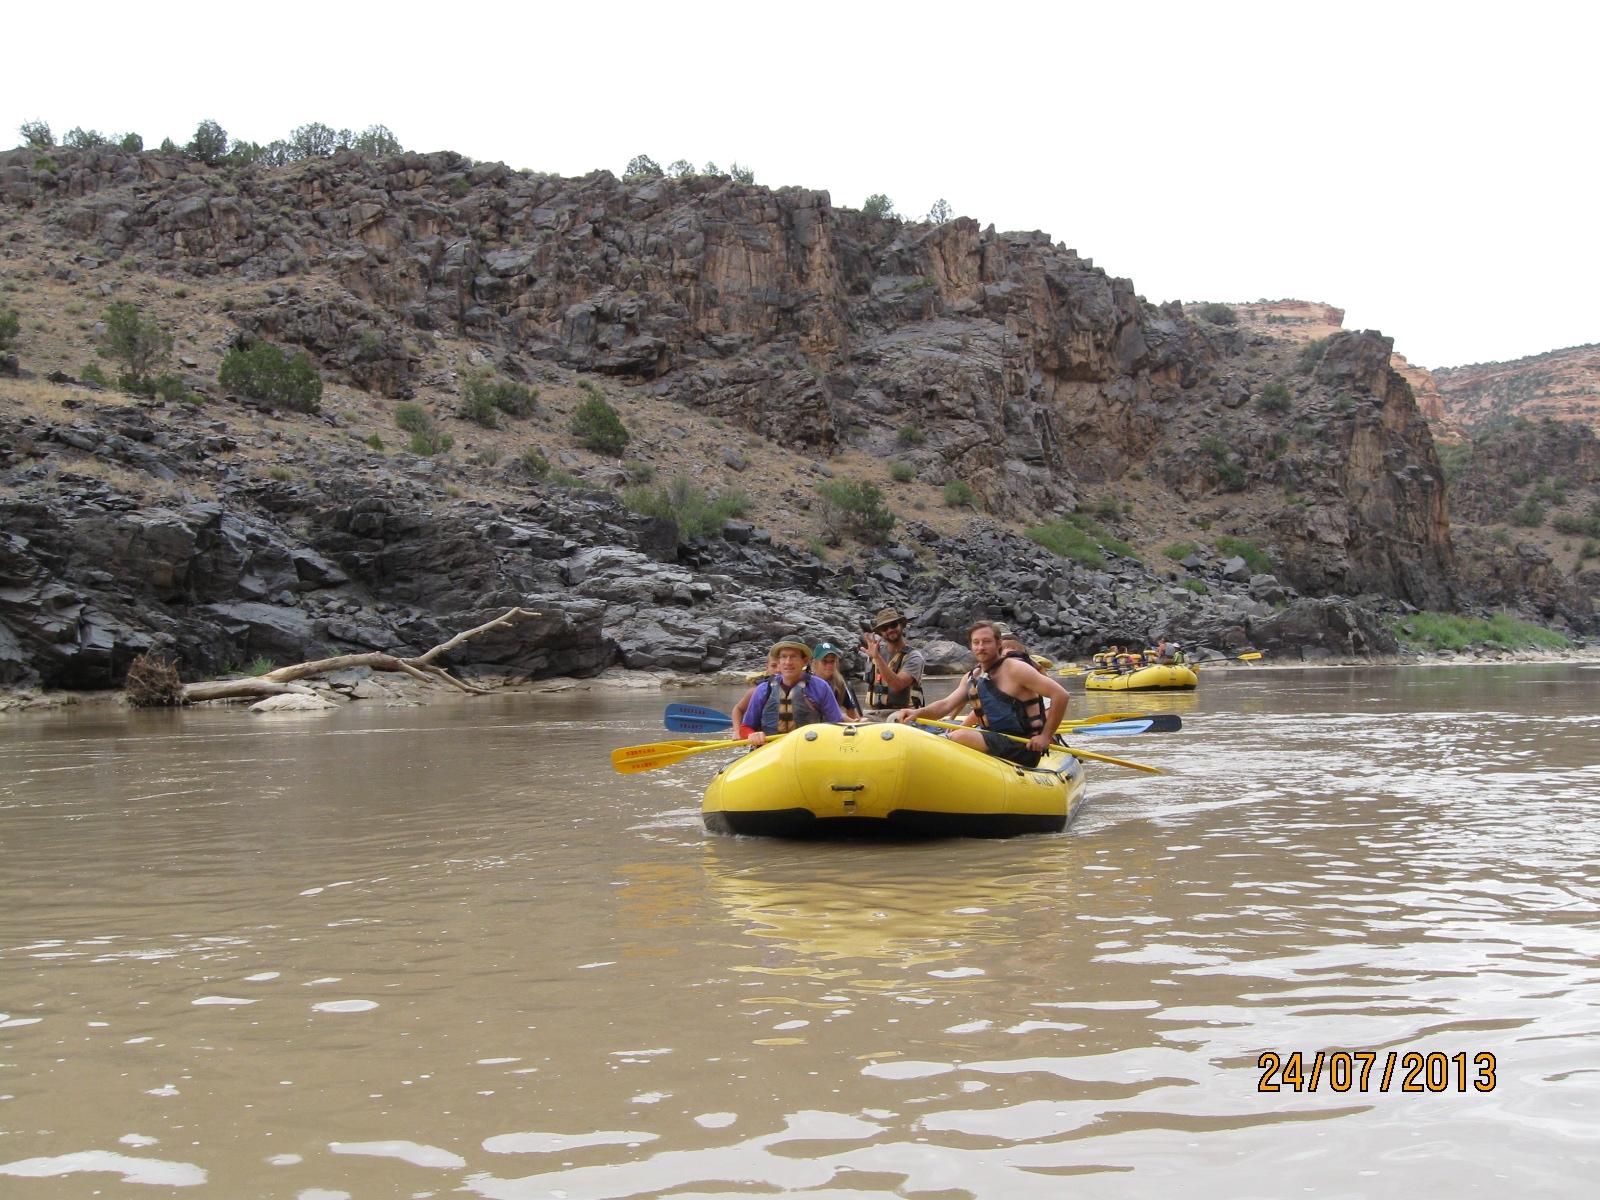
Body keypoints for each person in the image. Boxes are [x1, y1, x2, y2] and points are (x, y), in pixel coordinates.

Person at [891, 620, 1069, 768]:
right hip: (993, 739)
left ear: (998, 644)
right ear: (971, 646)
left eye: (986, 641)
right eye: (976, 642)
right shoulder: (973, 677)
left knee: (961, 736)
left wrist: (1045, 736)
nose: (981, 647)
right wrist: (916, 713)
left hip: (1024, 745)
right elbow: (945, 705)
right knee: (942, 732)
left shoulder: (1016, 669)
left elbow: (1061, 695)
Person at [739, 637, 845, 746]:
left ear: (804, 661)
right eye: (784, 657)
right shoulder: (763, 690)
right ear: (778, 662)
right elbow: (745, 727)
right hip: (770, 750)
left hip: (808, 748)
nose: (788, 662)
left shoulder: (821, 687)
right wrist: (752, 735)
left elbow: (837, 724)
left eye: (793, 657)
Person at [863, 606, 925, 713]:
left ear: (901, 625)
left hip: (903, 714)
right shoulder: (874, 653)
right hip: (875, 713)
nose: (890, 630)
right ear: (881, 633)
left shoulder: (914, 657)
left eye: (893, 625)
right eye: (884, 628)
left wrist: (877, 657)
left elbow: (898, 685)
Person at [810, 641, 862, 720]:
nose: (829, 665)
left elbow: (852, 712)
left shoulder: (839, 683)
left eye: (832, 661)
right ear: (815, 663)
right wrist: (843, 718)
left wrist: (858, 722)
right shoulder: (807, 684)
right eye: (824, 661)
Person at [730, 649, 779, 732]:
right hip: (762, 736)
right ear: (767, 667)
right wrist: (737, 732)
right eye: (774, 666)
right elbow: (738, 709)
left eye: (781, 665)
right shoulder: (757, 691)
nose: (778, 670)